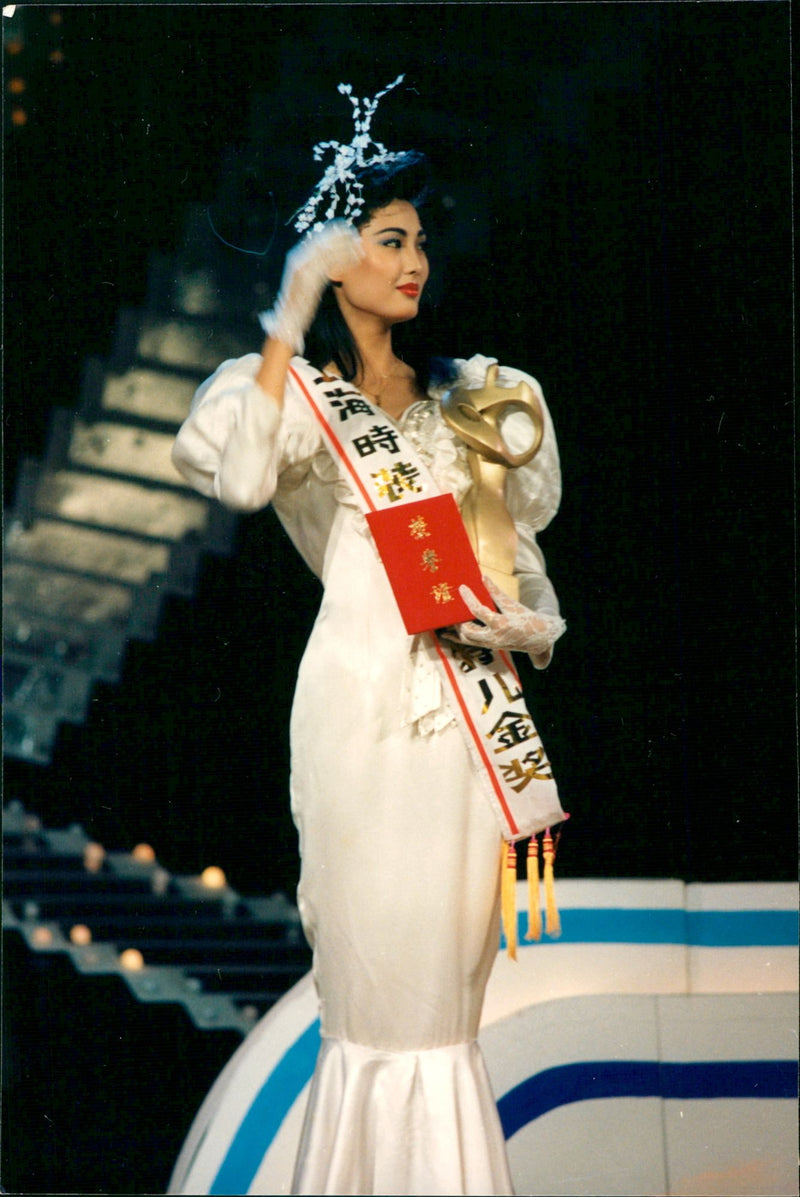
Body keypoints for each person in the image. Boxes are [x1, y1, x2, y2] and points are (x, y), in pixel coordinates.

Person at [172, 82, 565, 1197]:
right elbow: (243, 479)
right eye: (387, 239)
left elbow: (525, 578)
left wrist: (523, 625)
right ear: (330, 256)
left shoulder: (475, 403)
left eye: (420, 242)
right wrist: (284, 319)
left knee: (441, 1015)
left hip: (457, 737)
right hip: (359, 724)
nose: (414, 261)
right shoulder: (292, 396)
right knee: (377, 1004)